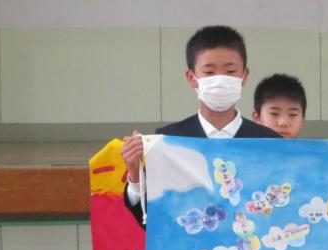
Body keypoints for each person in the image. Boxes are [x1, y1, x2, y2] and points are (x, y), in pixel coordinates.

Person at [120, 25, 280, 227]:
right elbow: (153, 223)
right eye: (209, 72)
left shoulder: (270, 142)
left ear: (244, 76)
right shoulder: (168, 141)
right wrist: (135, 175)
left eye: (230, 71)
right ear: (192, 78)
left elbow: (281, 210)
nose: (220, 80)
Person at [252, 73, 307, 138]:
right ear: (257, 118)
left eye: (293, 114)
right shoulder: (244, 144)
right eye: (274, 113)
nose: (283, 123)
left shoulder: (312, 145)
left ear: (302, 120)